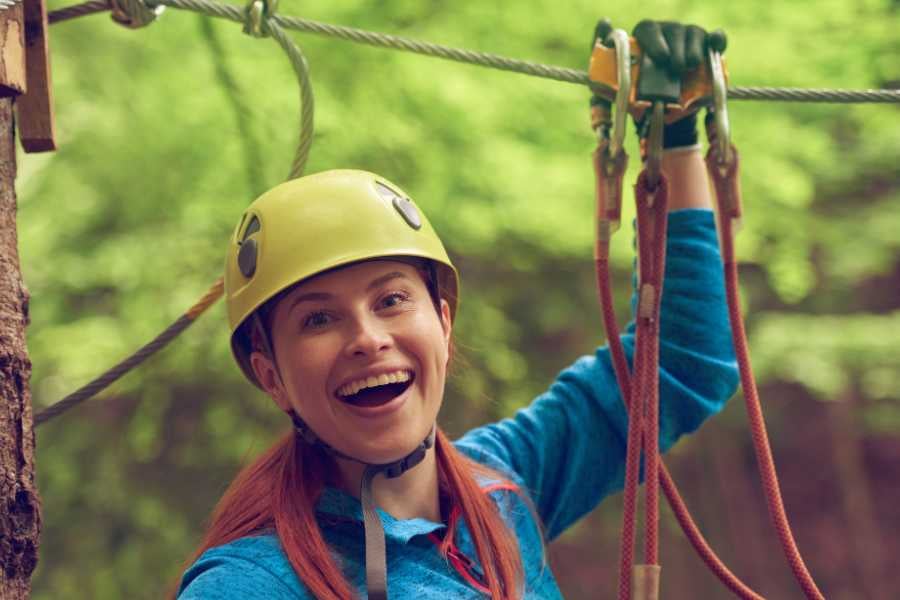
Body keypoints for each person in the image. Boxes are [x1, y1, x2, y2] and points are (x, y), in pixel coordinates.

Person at [176, 20, 738, 600]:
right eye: (318, 319)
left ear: (443, 323)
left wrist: (674, 140)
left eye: (391, 300)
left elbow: (681, 362)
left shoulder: (500, 487)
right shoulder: (252, 583)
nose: (367, 339)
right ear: (273, 377)